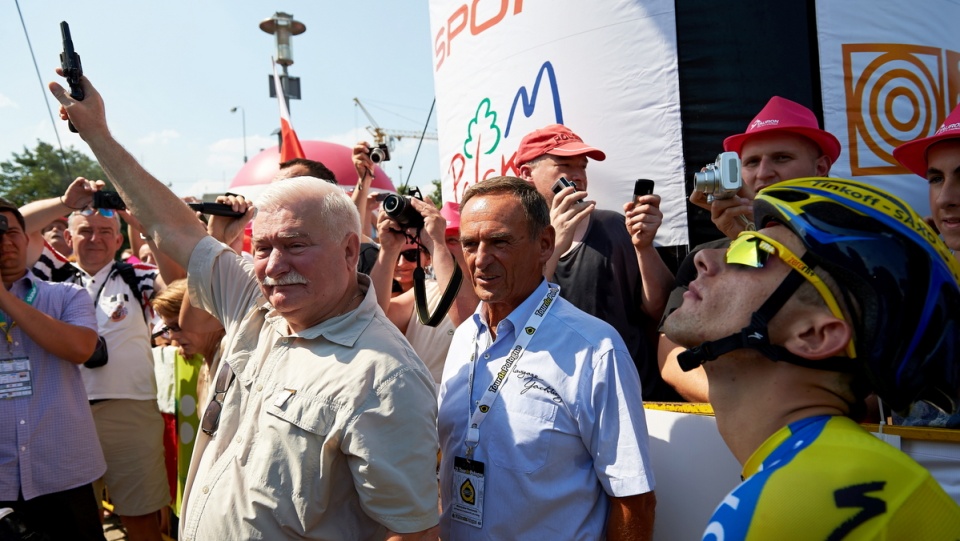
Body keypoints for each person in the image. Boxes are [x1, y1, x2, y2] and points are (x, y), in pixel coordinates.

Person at [50, 72, 441, 540]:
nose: (275, 265)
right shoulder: (255, 307)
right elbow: (174, 230)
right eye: (263, 247)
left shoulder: (385, 378)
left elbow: (411, 533)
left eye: (296, 245)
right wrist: (98, 134)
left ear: (349, 250)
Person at [662, 177, 960, 538]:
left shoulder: (794, 503)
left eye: (753, 251)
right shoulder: (823, 473)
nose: (704, 257)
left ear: (814, 336)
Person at [438, 176, 656, 540]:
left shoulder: (595, 349)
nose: (480, 259)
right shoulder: (463, 339)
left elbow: (634, 501)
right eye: (470, 244)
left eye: (499, 242)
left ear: (545, 244)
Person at [19, 179, 173, 541]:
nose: (95, 238)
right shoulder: (49, 276)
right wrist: (65, 201)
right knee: (76, 525)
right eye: (85, 230)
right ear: (68, 238)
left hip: (130, 410)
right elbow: (17, 226)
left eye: (106, 231)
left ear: (119, 240)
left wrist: (140, 220)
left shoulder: (138, 276)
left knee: (140, 519)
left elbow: (179, 281)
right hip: (61, 411)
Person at [659, 96, 840, 401]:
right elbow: (670, 354)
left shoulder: (850, 251)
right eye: (752, 162)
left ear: (820, 167)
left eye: (781, 158)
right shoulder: (706, 257)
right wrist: (741, 406)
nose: (763, 173)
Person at [515, 124, 675, 401]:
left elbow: (660, 309)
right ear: (527, 173)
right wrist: (557, 243)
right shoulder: (513, 239)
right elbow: (519, 318)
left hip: (634, 394)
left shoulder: (613, 225)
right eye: (564, 165)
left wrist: (644, 248)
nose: (577, 176)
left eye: (583, 166)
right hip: (559, 401)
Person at [0, 198, 107, 541]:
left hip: (63, 472)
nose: (5, 242)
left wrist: (4, 298)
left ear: (29, 238)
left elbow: (80, 348)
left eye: (12, 232)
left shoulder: (66, 295)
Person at [370, 198, 478, 385]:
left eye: (451, 239)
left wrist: (437, 243)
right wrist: (389, 250)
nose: (440, 244)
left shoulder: (492, 296)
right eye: (439, 237)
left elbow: (469, 325)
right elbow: (372, 316)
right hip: (418, 403)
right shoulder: (426, 290)